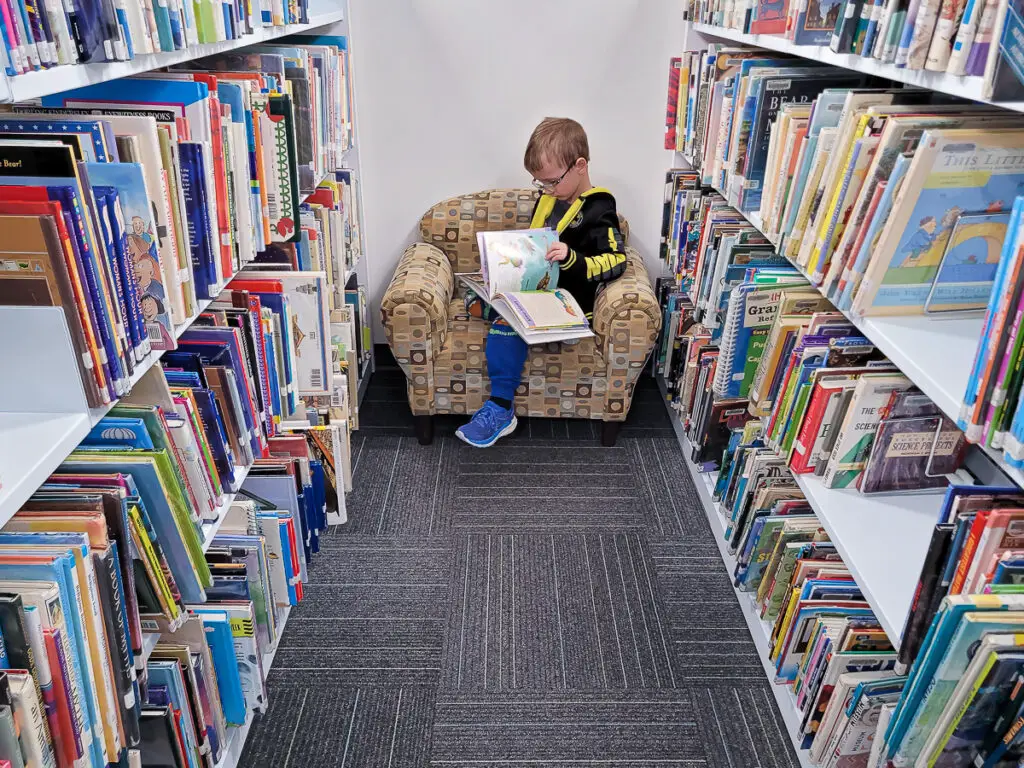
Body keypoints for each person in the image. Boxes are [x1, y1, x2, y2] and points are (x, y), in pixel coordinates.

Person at [455, 117, 628, 448]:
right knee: (485, 295)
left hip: (571, 305)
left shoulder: (600, 206)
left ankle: (501, 409)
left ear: (580, 166)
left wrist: (572, 258)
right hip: (539, 293)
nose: (546, 189)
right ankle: (498, 307)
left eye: (551, 181)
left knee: (505, 322)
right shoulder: (550, 199)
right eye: (540, 183)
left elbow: (617, 260)